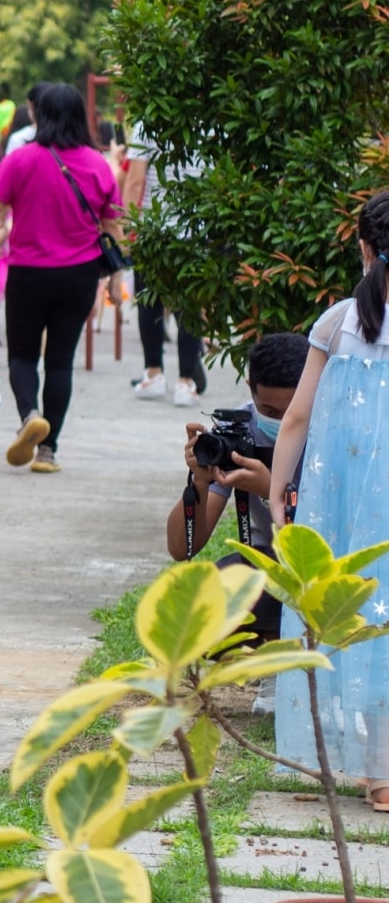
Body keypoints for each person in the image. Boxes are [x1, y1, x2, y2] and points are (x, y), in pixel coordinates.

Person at [0, 82, 124, 477]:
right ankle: (48, 451)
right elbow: (112, 223)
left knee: (22, 355)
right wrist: (117, 276)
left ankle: (29, 417)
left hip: (29, 273)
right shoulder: (97, 162)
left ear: (40, 115)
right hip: (79, 276)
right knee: (60, 362)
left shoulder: (22, 159)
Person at [272, 192, 389, 804]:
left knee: (350, 606)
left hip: (342, 502)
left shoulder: (339, 321)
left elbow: (295, 419)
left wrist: (275, 496)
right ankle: (384, 769)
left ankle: (353, 759)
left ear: (363, 247)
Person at [167, 332, 307, 673]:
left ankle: (293, 670)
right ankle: (269, 666)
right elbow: (183, 547)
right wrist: (201, 479)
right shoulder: (239, 431)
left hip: (327, 562)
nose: (282, 422)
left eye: (293, 412)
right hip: (269, 561)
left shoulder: (334, 428)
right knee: (200, 600)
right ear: (250, 387)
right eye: (269, 410)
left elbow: (338, 529)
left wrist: (271, 489)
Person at [121, 117, 207, 406]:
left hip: (154, 228)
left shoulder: (149, 123)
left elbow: (135, 180)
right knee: (190, 306)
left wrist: (127, 227)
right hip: (197, 229)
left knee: (149, 302)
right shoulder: (208, 120)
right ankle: (186, 382)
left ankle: (154, 374)